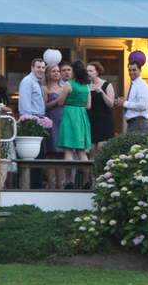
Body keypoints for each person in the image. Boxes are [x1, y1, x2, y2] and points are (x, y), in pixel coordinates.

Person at [58, 60, 92, 188]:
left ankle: (68, 180)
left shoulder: (68, 84)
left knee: (68, 149)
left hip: (70, 114)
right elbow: (88, 106)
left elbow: (60, 102)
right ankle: (86, 179)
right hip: (82, 115)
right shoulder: (87, 86)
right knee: (81, 151)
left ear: (73, 70)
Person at [42, 64, 66, 190]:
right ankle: (51, 183)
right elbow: (44, 106)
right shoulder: (45, 88)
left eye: (58, 71)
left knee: (61, 153)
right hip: (51, 120)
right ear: (48, 73)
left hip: (63, 120)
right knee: (51, 151)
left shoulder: (64, 87)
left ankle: (60, 183)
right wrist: (57, 100)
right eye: (53, 71)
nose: (56, 73)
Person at [86, 62, 116, 160]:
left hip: (104, 122)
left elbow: (110, 104)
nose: (89, 73)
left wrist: (102, 92)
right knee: (92, 151)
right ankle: (93, 175)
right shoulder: (86, 86)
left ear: (97, 72)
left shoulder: (107, 85)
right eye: (87, 71)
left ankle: (103, 174)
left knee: (102, 148)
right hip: (91, 121)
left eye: (91, 71)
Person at [115, 61, 148, 134]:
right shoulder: (133, 85)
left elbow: (143, 105)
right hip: (133, 124)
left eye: (134, 70)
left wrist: (125, 103)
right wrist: (122, 104)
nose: (131, 72)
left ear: (140, 70)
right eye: (129, 70)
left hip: (139, 124)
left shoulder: (142, 85)